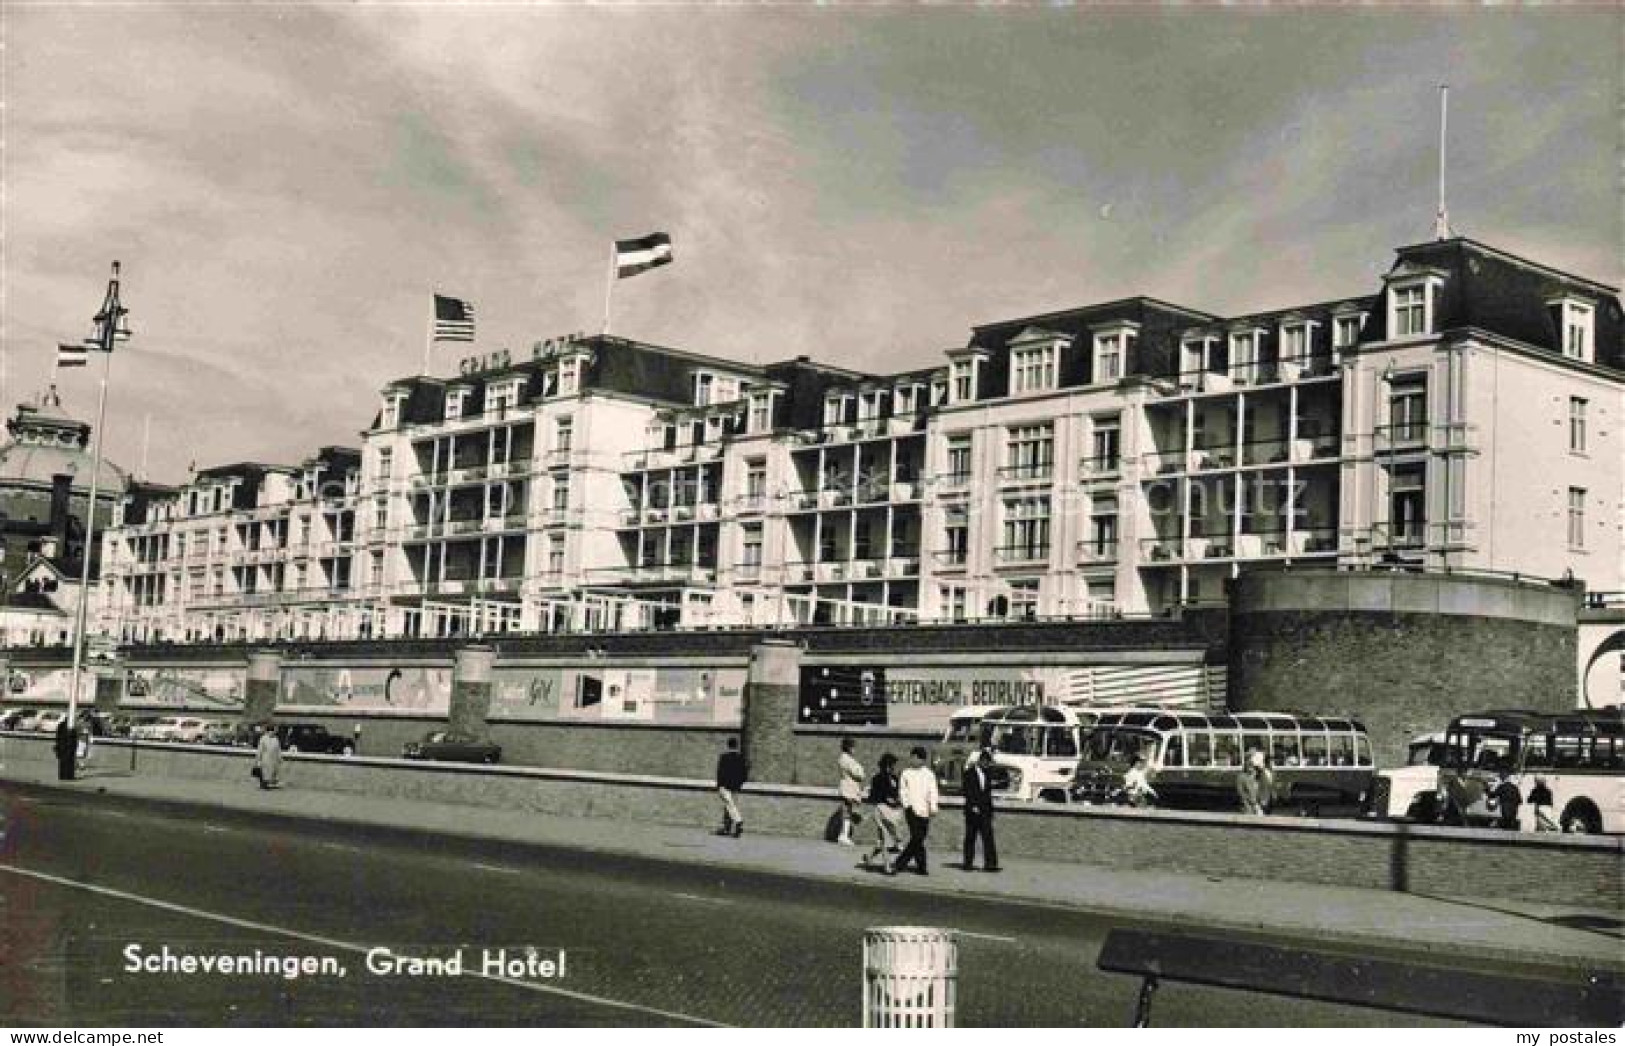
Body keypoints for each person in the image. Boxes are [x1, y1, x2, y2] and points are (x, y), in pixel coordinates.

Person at [892, 747, 940, 876]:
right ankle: (904, 864)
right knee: (917, 837)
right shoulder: (906, 773)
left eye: (914, 757)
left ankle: (916, 866)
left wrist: (933, 807)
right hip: (911, 810)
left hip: (924, 811)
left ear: (920, 759)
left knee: (917, 840)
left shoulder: (929, 774)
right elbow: (903, 791)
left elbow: (933, 792)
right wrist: (907, 805)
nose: (911, 760)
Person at [960, 748, 1001, 872]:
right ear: (981, 761)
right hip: (972, 812)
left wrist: (991, 811)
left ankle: (990, 864)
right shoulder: (969, 773)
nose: (988, 765)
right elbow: (967, 791)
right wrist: (973, 806)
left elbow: (987, 794)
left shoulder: (987, 774)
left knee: (988, 838)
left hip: (985, 812)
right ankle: (968, 864)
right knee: (970, 838)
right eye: (987, 763)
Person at [863, 753, 905, 868]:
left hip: (892, 812)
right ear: (887, 765)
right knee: (884, 839)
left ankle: (869, 857)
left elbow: (897, 794)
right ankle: (887, 866)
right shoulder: (877, 778)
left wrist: (897, 800)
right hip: (881, 811)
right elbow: (874, 797)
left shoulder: (895, 778)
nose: (894, 768)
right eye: (893, 765)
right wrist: (887, 799)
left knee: (886, 839)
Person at [715, 737, 747, 837]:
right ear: (736, 746)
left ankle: (738, 821)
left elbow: (720, 772)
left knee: (729, 805)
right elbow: (744, 773)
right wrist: (740, 783)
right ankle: (727, 828)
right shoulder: (741, 758)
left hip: (725, 785)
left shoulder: (724, 757)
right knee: (729, 806)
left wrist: (719, 785)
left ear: (728, 745)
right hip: (736, 786)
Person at [836, 738, 865, 846]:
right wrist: (861, 770)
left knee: (847, 811)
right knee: (847, 812)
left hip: (846, 786)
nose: (855, 750)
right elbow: (858, 773)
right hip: (848, 787)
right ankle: (843, 836)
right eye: (853, 747)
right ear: (849, 748)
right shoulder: (847, 759)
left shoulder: (843, 758)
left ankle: (843, 835)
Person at [1235, 749, 1272, 815]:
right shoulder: (1242, 777)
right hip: (1249, 807)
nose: (1251, 766)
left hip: (1261, 806)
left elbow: (1265, 789)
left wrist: (1262, 804)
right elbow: (1242, 793)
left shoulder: (1262, 774)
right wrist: (1254, 804)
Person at [255, 722, 283, 790]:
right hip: (265, 757)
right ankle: (264, 784)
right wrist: (258, 759)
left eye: (273, 731)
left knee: (273, 771)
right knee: (265, 771)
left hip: (273, 758)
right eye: (270, 731)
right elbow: (260, 749)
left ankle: (271, 782)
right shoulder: (263, 738)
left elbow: (278, 749)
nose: (272, 732)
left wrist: (280, 758)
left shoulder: (276, 739)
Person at [53, 717, 77, 781]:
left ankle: (63, 776)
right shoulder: (70, 727)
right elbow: (74, 738)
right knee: (67, 762)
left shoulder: (62, 725)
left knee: (63, 763)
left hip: (63, 746)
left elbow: (57, 737)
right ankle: (68, 776)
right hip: (65, 746)